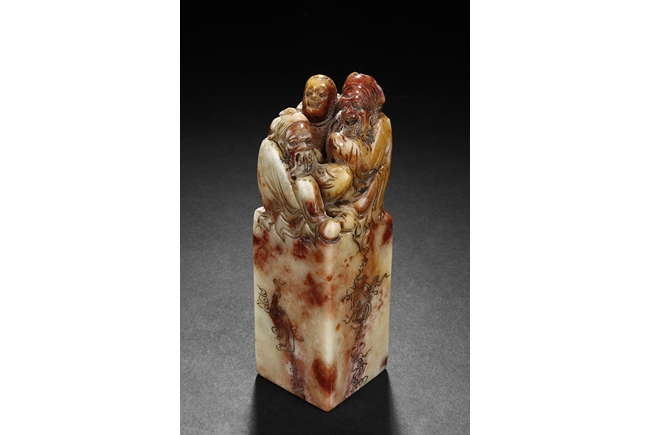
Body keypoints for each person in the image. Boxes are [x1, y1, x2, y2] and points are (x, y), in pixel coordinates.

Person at [257, 108, 341, 242]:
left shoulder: (307, 153)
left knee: (341, 174)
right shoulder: (270, 151)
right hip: (290, 208)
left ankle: (329, 212)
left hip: (308, 196)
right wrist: (302, 175)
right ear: (281, 143)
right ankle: (319, 222)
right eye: (294, 143)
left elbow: (320, 163)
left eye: (307, 141)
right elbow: (291, 198)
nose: (303, 147)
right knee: (305, 182)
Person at [326, 73, 392, 225]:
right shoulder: (340, 118)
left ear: (371, 108)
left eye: (356, 106)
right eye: (345, 106)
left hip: (365, 194)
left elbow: (367, 167)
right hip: (338, 189)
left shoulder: (381, 123)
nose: (349, 112)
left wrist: (341, 144)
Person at [297, 75, 340, 161]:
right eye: (309, 93)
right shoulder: (297, 118)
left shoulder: (339, 119)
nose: (313, 97)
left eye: (321, 95)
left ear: (332, 101)